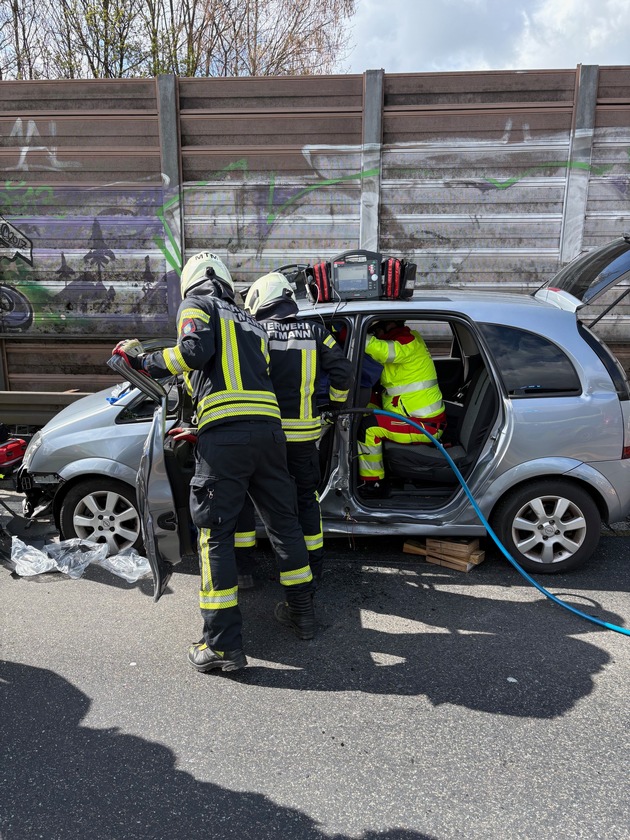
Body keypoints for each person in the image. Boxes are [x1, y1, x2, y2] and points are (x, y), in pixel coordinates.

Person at [112, 252, 316, 674]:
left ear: (191, 282)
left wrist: (143, 362)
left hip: (227, 440)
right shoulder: (250, 321)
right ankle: (303, 615)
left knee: (215, 536)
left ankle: (222, 646)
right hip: (269, 434)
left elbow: (193, 352)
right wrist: (202, 425)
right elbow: (241, 378)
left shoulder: (197, 304)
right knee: (285, 525)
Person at [243, 271, 353, 585]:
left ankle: (245, 569)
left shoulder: (255, 332)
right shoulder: (316, 332)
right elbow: (342, 370)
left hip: (267, 435)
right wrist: (335, 403)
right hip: (304, 436)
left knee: (253, 496)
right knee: (306, 499)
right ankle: (312, 568)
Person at [357, 319, 445, 497]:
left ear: (389, 326)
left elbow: (381, 350)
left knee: (369, 427)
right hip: (413, 416)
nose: (375, 335)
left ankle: (374, 484)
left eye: (376, 331)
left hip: (424, 425)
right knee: (364, 406)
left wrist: (354, 335)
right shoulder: (403, 338)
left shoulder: (406, 341)